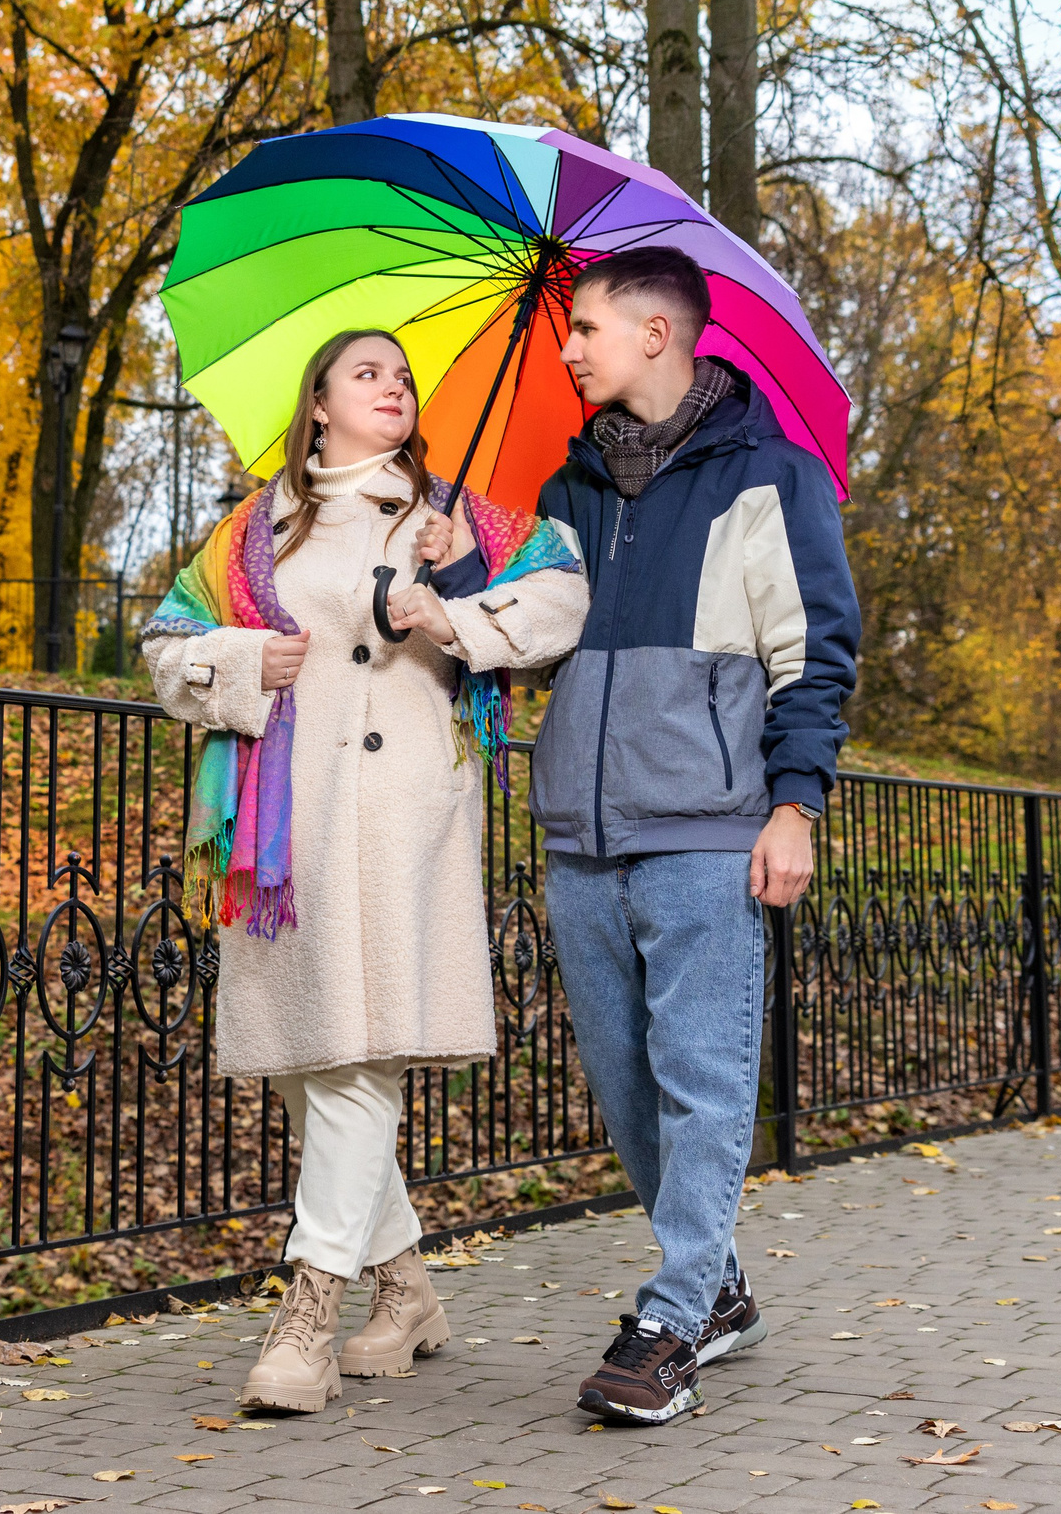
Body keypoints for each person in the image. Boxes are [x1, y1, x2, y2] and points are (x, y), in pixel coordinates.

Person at [139, 328, 587, 1415]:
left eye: (401, 376)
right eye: (366, 373)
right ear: (321, 403)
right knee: (313, 1064)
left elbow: (566, 597)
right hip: (283, 831)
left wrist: (452, 600)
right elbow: (163, 644)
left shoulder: (460, 518)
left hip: (401, 817)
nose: (392, 387)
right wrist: (246, 660)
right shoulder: (254, 530)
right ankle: (408, 1291)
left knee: (362, 1055)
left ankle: (309, 1307)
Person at [458, 246, 859, 1425]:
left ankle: (673, 1319)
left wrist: (793, 805)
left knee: (702, 1075)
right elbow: (530, 638)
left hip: (706, 824)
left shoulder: (770, 478)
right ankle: (720, 1288)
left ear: (655, 332)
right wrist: (460, 566)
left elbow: (815, 653)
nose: (568, 346)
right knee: (624, 1081)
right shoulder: (568, 491)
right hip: (580, 830)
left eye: (584, 327)